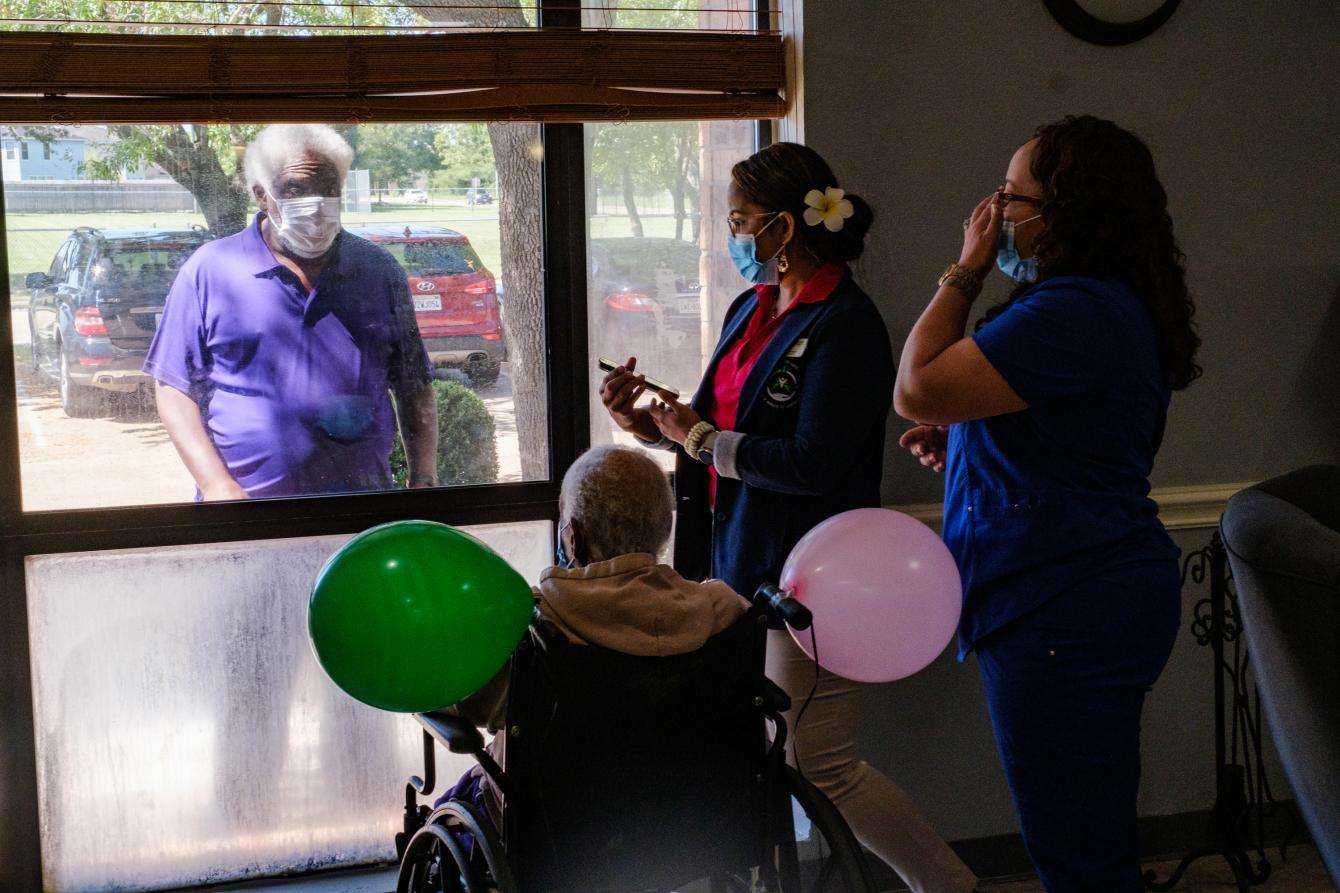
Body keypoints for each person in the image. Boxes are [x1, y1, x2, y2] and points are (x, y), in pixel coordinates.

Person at [601, 142, 979, 893]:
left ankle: (951, 885)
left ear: (781, 228)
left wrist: (701, 439)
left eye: (738, 221)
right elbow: (713, 425)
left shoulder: (847, 325)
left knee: (821, 762)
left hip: (810, 573)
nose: (729, 237)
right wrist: (651, 424)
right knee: (746, 751)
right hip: (734, 560)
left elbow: (814, 460)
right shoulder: (752, 308)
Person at [895, 115, 1200, 891]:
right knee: (1080, 833)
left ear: (1065, 211)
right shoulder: (1087, 304)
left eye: (1011, 195)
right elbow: (1051, 430)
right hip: (1073, 588)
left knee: (1076, 852)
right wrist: (963, 447)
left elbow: (917, 386)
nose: (994, 213)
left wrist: (963, 269)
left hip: (1067, 600)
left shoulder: (1074, 310)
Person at [444, 445, 747, 823]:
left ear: (572, 538)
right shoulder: (723, 610)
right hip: (689, 820)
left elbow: (465, 704)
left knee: (453, 805)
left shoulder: (539, 625)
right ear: (662, 527)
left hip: (562, 829)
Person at [144, 124, 439, 500]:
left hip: (362, 511)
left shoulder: (378, 270)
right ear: (261, 196)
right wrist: (217, 485)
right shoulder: (210, 270)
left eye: (328, 189)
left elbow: (414, 385)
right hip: (246, 516)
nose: (315, 204)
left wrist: (424, 483)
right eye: (296, 189)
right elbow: (173, 388)